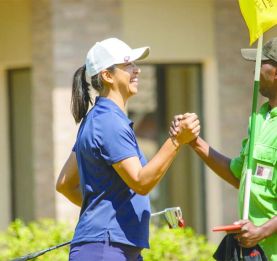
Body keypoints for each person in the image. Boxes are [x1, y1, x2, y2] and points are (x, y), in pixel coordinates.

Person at [56, 37, 200, 261]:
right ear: (107, 75)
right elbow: (141, 182)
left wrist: (110, 210)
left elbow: (65, 184)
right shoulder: (109, 122)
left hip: (109, 248)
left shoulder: (97, 118)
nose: (137, 70)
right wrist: (176, 140)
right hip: (106, 250)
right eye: (128, 65)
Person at [170, 38, 277, 260]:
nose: (255, 69)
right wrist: (194, 141)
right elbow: (238, 175)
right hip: (253, 253)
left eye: (262, 62)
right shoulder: (259, 118)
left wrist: (261, 231)